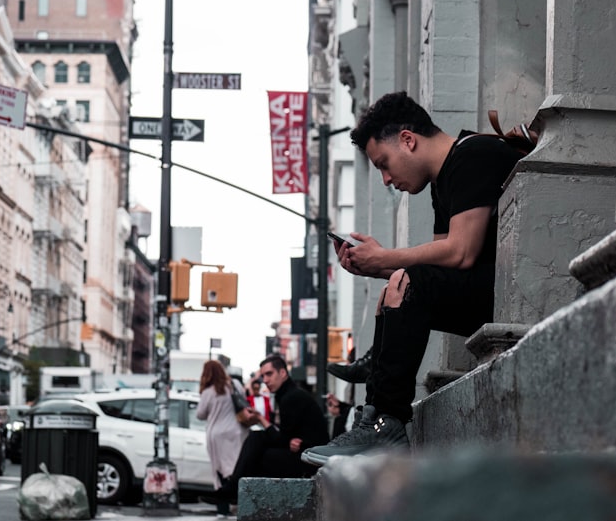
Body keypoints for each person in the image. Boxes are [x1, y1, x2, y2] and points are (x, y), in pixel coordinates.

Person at [301, 91, 524, 465]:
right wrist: (375, 265)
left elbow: (461, 251)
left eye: (384, 164)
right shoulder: (444, 177)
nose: (387, 179)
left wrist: (388, 259)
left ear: (408, 139)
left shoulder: (474, 155)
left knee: (409, 282)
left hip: (511, 290)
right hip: (487, 287)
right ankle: (375, 410)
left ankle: (387, 421)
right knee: (402, 283)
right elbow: (443, 263)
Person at [204, 355, 329, 504]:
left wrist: (261, 420)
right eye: (263, 376)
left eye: (269, 374)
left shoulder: (291, 397)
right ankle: (234, 490)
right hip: (305, 455)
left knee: (260, 448)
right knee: (258, 441)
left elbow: (283, 440)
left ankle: (234, 490)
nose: (266, 380)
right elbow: (286, 438)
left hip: (310, 460)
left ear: (282, 373)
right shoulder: (287, 395)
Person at [196, 360, 250, 516]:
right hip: (237, 432)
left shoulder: (208, 392)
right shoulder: (235, 384)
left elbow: (200, 414)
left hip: (217, 435)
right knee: (236, 468)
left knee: (220, 471)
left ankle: (223, 509)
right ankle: (240, 504)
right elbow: (243, 401)